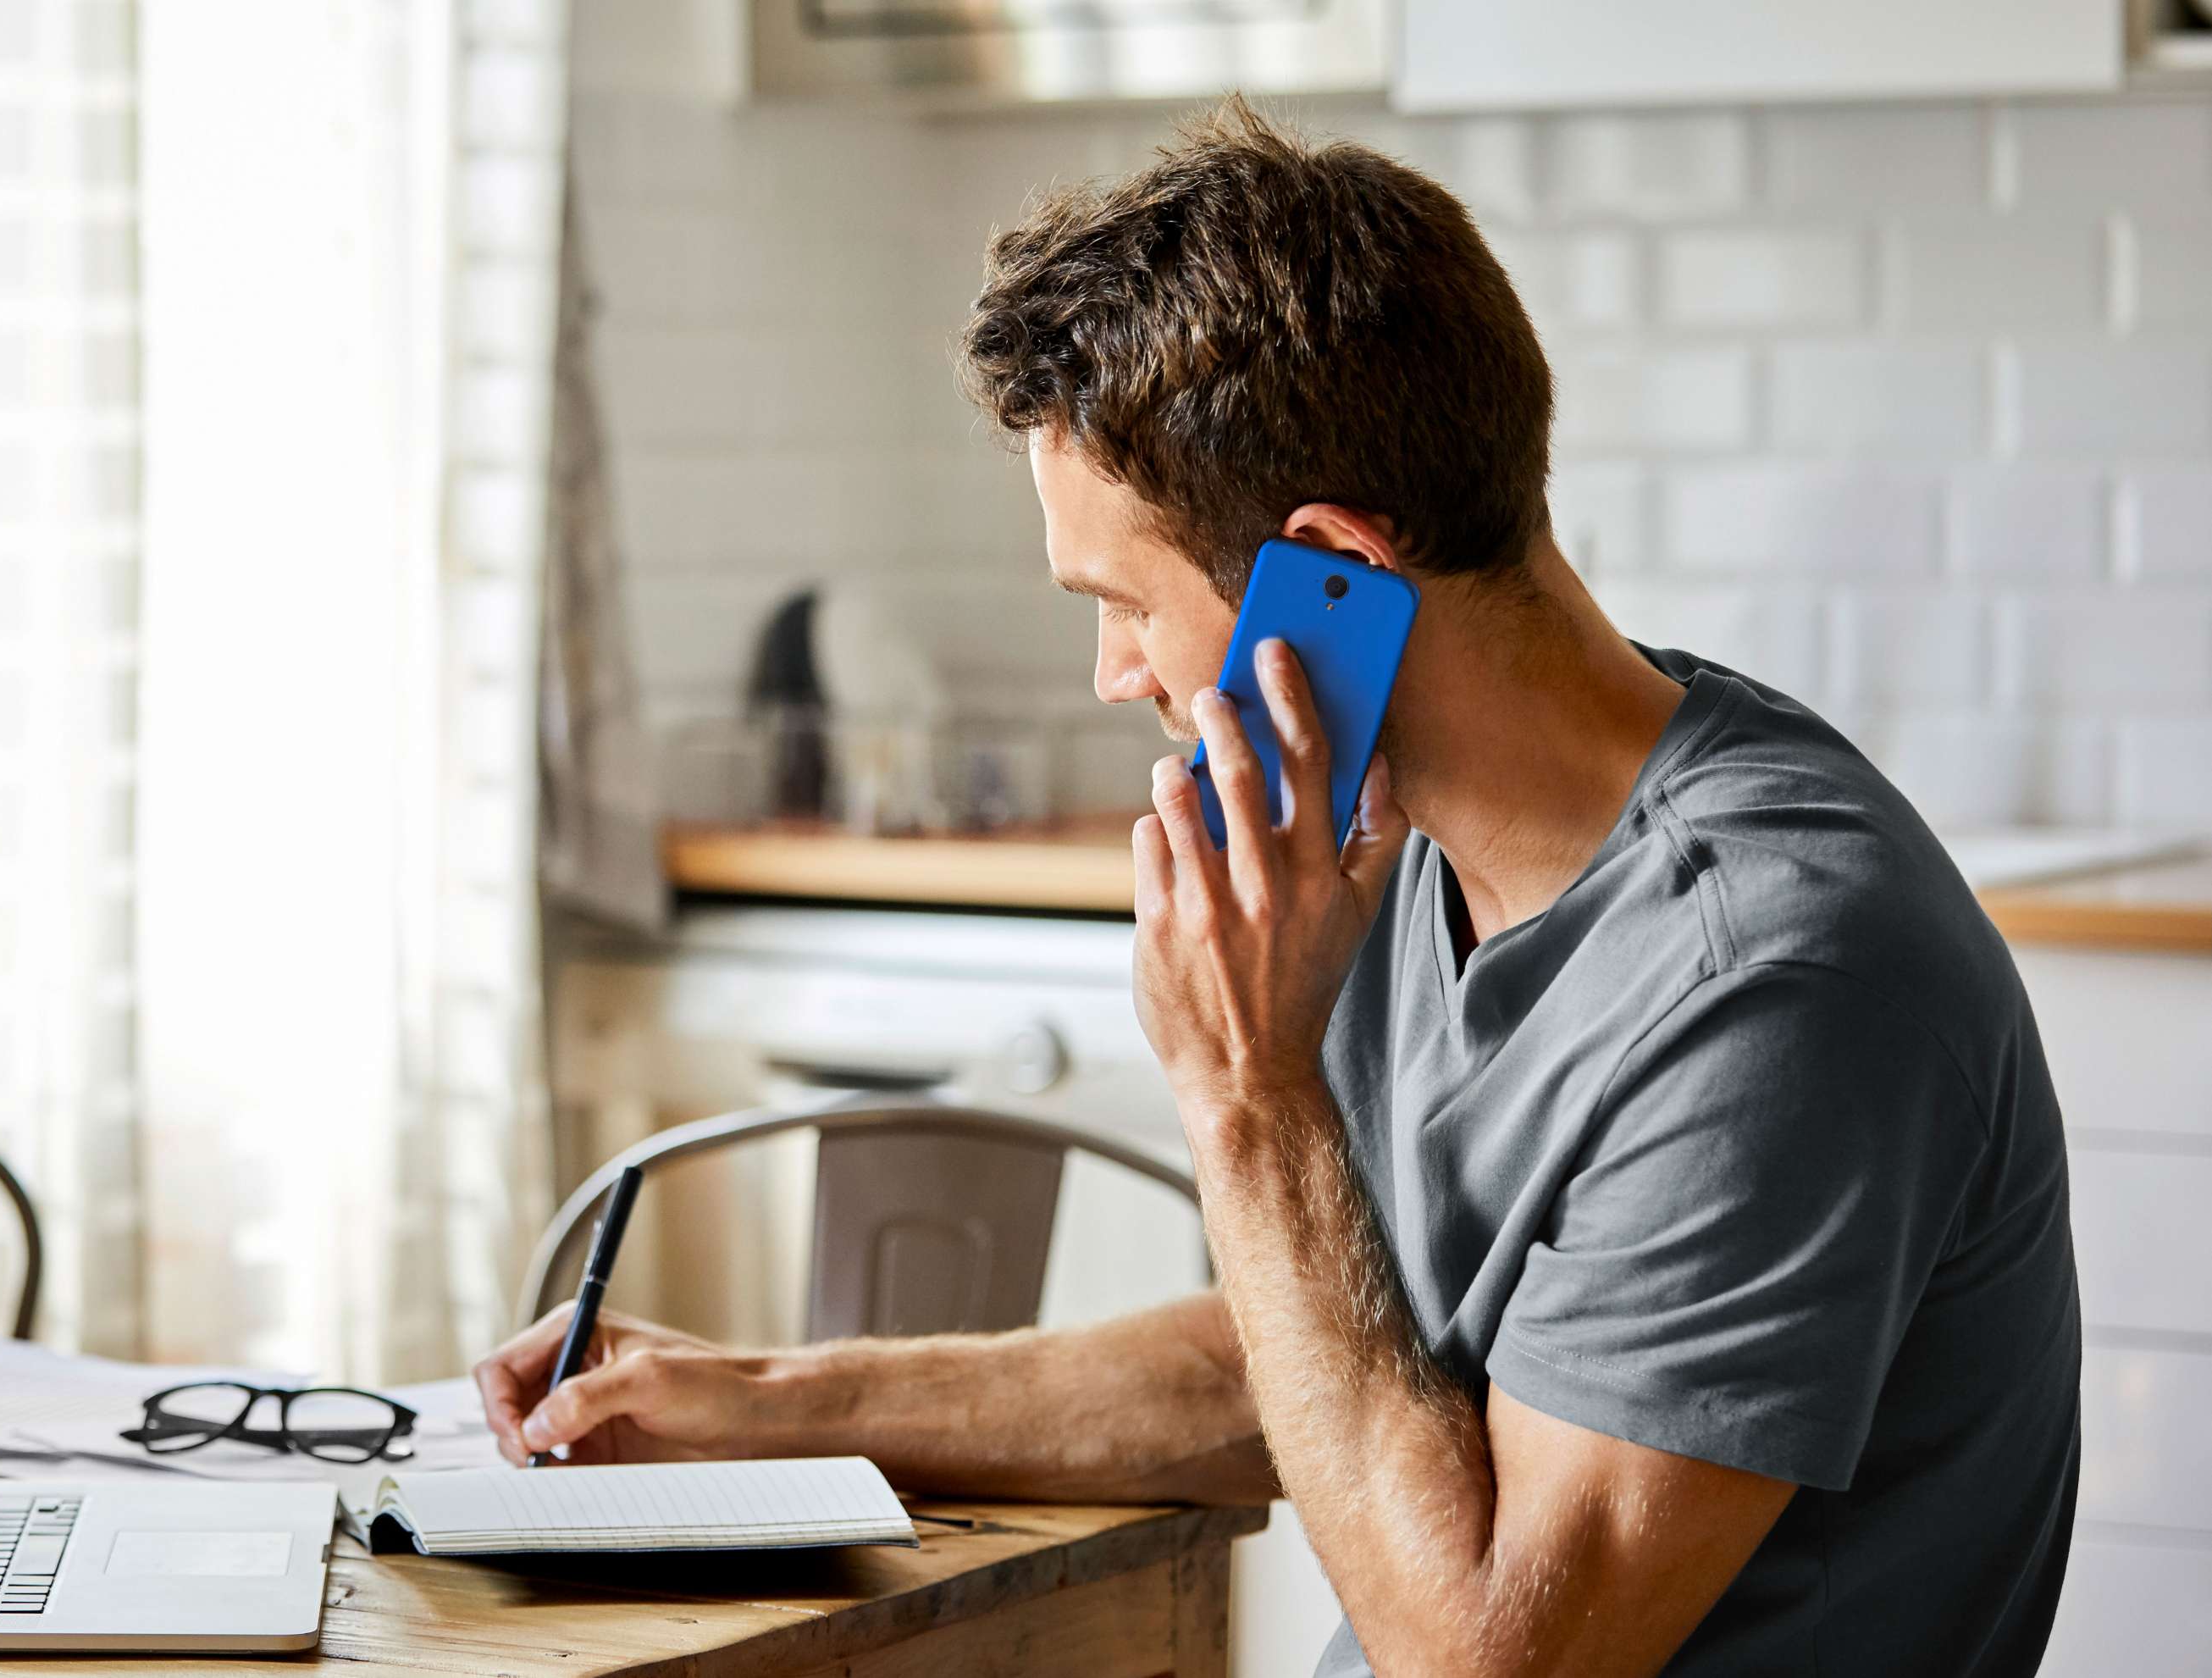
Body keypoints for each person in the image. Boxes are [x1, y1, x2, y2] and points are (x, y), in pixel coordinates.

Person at [477, 99, 2080, 1678]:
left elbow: (1485, 1661)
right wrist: (763, 1401)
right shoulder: (1398, 839)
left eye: (1123, 602)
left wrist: (1247, 1092)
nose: (1114, 675)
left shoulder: (1772, 984)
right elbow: (1316, 1359)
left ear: (1334, 575)